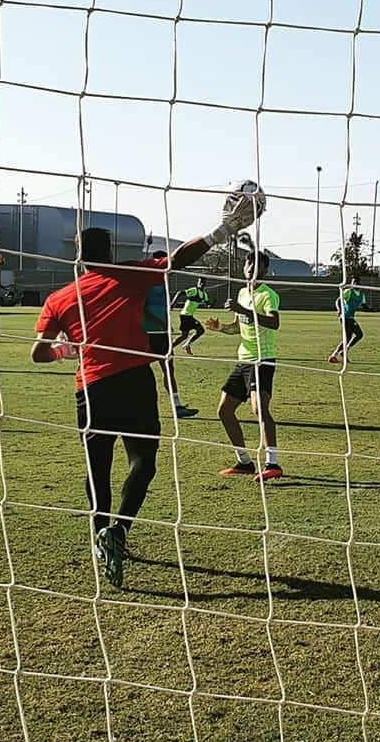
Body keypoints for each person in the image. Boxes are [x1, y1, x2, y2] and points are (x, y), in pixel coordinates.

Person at [30, 197, 255, 589]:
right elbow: (178, 259)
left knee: (97, 467)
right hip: (134, 381)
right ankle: (119, 532)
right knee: (143, 463)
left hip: (92, 388)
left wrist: (66, 350)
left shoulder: (58, 299)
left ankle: (102, 534)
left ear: (79, 257)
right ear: (112, 254)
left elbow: (37, 354)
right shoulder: (129, 275)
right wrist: (223, 231)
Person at [207, 249, 282, 482]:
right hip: (243, 360)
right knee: (224, 411)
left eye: (257, 265)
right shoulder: (241, 293)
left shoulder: (268, 295)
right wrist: (221, 328)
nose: (251, 268)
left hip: (262, 359)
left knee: (259, 409)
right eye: (248, 264)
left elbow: (274, 322)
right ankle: (244, 462)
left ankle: (273, 464)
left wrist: (244, 311)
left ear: (264, 270)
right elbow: (237, 327)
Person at [143, 251, 198, 419]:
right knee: (140, 371)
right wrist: (159, 323)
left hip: (163, 333)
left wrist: (166, 325)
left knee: (169, 368)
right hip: (148, 333)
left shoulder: (165, 283)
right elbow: (142, 308)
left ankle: (177, 406)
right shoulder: (146, 283)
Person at [329, 278, 366, 364]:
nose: (355, 285)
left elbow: (364, 305)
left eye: (356, 283)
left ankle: (335, 355)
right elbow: (338, 300)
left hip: (350, 317)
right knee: (359, 334)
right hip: (345, 317)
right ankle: (344, 351)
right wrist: (339, 310)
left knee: (347, 338)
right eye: (353, 283)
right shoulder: (348, 291)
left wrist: (372, 309)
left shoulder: (361, 295)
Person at [172, 276, 209, 354]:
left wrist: (210, 304)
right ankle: (174, 347)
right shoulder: (194, 290)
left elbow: (207, 303)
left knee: (186, 335)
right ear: (197, 283)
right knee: (198, 331)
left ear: (205, 284)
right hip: (185, 315)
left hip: (189, 316)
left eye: (203, 282)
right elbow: (180, 293)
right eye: (200, 282)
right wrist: (173, 304)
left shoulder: (204, 294)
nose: (201, 283)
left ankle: (181, 346)